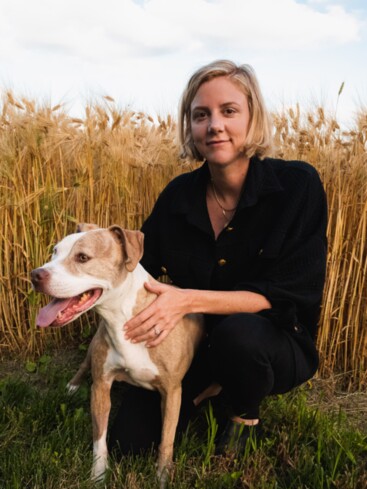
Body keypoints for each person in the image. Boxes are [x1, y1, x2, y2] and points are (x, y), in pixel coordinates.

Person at [108, 59, 327, 455]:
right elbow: (137, 268)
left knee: (238, 336)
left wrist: (186, 299)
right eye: (200, 115)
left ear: (253, 118)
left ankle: (243, 411)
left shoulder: (297, 186)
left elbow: (289, 294)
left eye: (229, 111)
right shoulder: (178, 196)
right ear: (189, 127)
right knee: (129, 442)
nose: (214, 125)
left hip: (272, 341)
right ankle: (210, 386)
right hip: (196, 344)